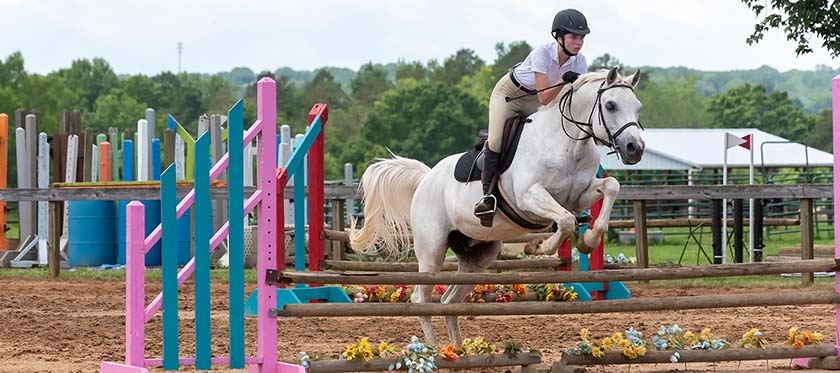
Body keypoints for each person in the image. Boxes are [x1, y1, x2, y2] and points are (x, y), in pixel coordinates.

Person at [473, 8, 591, 227]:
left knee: (555, 137)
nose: (579, 42)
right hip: (509, 96)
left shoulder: (580, 61)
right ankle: (487, 196)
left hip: (535, 100)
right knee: (497, 140)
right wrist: (565, 82)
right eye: (574, 37)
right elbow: (545, 97)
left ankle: (563, 202)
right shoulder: (542, 54)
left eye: (582, 37)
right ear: (559, 37)